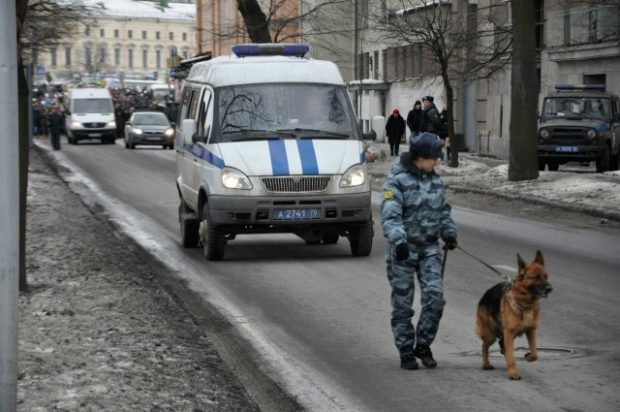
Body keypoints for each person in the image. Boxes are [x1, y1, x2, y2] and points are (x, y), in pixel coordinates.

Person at [380, 132, 458, 370]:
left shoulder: (435, 180)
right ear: (420, 157)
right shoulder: (396, 182)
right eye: (434, 157)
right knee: (403, 306)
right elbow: (390, 215)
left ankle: (423, 345)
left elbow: (443, 211)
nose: (437, 161)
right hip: (403, 251)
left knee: (436, 298)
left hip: (429, 249)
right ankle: (406, 351)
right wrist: (399, 240)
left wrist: (449, 232)